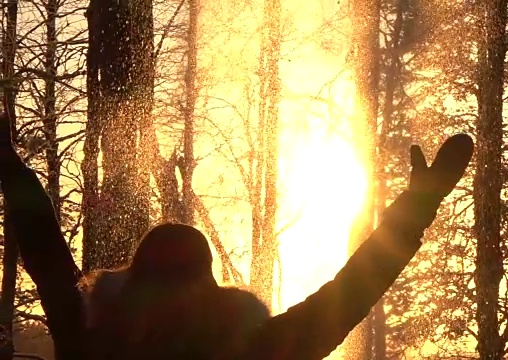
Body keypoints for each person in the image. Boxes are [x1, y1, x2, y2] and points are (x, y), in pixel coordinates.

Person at [0, 110, 473, 359]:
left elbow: (45, 250)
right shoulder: (257, 348)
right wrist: (417, 205)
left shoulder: (91, 334)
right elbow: (353, 291)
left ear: (133, 278)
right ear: (208, 287)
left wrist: (10, 166)